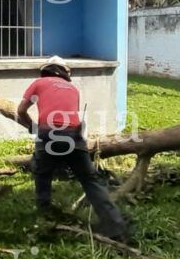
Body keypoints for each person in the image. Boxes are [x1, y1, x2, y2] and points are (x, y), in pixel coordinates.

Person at [18, 56, 128, 241]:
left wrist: (33, 127)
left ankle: (45, 217)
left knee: (42, 173)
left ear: (46, 70)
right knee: (90, 180)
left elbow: (21, 111)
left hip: (48, 134)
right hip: (74, 136)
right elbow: (70, 117)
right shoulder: (73, 89)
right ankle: (116, 225)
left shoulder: (38, 83)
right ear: (65, 72)